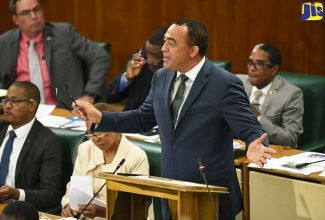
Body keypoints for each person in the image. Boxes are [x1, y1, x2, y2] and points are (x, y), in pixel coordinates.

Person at [74, 19, 277, 220]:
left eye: (171, 43)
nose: (163, 48)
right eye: (164, 42)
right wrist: (101, 117)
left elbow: (252, 129)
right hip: (171, 192)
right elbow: (142, 119)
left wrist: (255, 144)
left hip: (209, 194)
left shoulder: (224, 84)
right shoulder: (161, 77)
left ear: (193, 50)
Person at [0, 0, 110, 107]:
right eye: (25, 13)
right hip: (20, 112)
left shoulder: (64, 33)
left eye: (36, 10)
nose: (33, 16)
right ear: (15, 19)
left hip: (62, 111)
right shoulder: (5, 42)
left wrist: (90, 94)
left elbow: (101, 56)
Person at [61, 103, 150, 220]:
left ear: (115, 127)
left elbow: (139, 211)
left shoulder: (136, 157)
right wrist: (68, 206)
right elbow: (73, 189)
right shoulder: (85, 149)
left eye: (100, 132)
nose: (96, 139)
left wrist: (105, 212)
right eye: (91, 134)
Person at [0, 81, 62, 211]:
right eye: (5, 100)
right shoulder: (1, 129)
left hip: (18, 210)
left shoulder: (48, 142)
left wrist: (16, 193)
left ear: (32, 105)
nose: (7, 106)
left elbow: (50, 195)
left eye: (15, 101)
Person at [238, 43, 303, 148]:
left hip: (269, 152)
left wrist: (258, 117)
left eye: (259, 64)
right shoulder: (238, 83)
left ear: (274, 69)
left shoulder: (291, 94)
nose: (252, 68)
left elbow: (290, 139)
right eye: (250, 62)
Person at [105, 27, 168, 111]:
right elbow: (110, 97)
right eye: (147, 51)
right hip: (129, 120)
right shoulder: (140, 60)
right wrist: (127, 78)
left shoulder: (175, 72)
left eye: (154, 55)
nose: (148, 59)